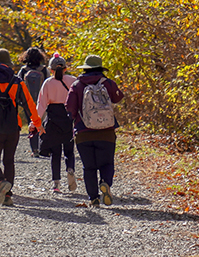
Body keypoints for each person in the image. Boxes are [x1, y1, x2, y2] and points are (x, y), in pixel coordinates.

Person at [0, 48, 41, 206]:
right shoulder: (17, 81)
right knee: (9, 161)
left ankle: (0, 183)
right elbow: (28, 104)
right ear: (8, 63)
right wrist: (37, 123)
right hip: (12, 128)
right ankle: (8, 195)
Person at [66, 54, 124, 209]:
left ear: (85, 68)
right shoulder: (108, 83)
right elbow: (119, 98)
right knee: (107, 162)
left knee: (89, 167)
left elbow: (70, 107)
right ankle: (105, 183)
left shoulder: (77, 85)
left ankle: (93, 198)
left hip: (83, 132)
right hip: (106, 132)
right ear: (100, 68)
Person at [35, 55, 77, 192]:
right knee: (69, 150)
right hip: (69, 119)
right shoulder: (73, 81)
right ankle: (70, 169)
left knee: (55, 153)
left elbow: (41, 105)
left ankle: (56, 183)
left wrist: (35, 122)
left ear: (50, 70)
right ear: (65, 68)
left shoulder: (48, 83)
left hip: (53, 120)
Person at [19, 47, 46, 157]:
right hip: (41, 101)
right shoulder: (44, 70)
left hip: (28, 102)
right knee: (42, 123)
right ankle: (43, 147)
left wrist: (20, 102)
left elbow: (19, 86)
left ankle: (34, 150)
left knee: (32, 124)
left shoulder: (23, 70)